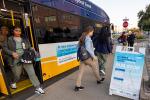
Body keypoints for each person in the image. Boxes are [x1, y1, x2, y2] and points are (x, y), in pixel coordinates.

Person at [2, 26, 45, 94]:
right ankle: (13, 82)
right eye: (16, 30)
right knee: (17, 75)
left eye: (19, 31)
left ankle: (38, 87)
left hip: (26, 57)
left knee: (32, 73)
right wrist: (12, 53)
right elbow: (4, 48)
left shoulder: (24, 39)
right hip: (15, 59)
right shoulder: (9, 39)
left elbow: (29, 46)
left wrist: (32, 49)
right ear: (13, 31)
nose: (18, 32)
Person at [75, 26, 101, 91]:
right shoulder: (88, 38)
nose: (92, 33)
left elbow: (77, 47)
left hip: (82, 58)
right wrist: (94, 56)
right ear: (89, 31)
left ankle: (77, 86)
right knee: (95, 68)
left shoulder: (82, 37)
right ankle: (98, 80)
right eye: (92, 32)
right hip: (88, 58)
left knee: (80, 72)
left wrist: (82, 53)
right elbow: (88, 48)